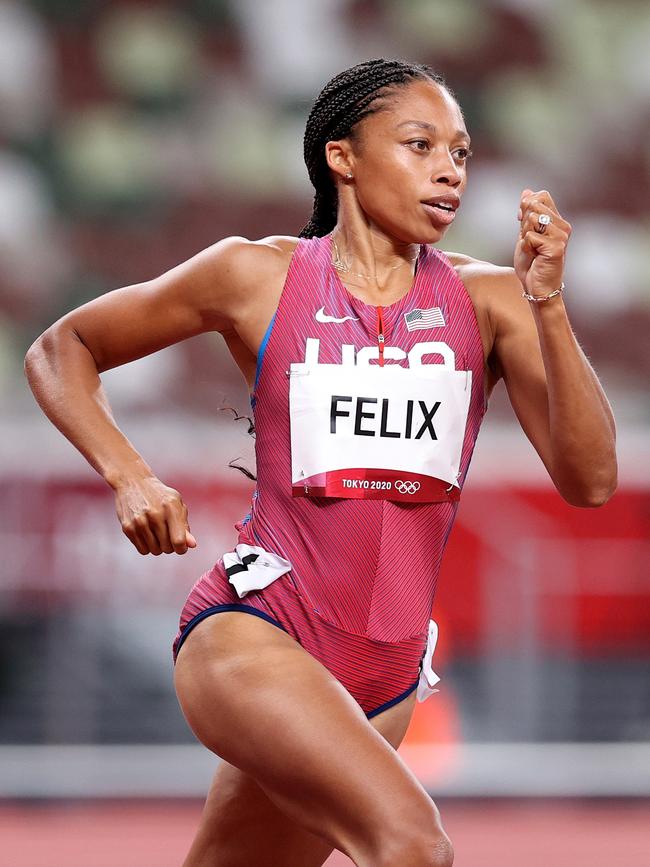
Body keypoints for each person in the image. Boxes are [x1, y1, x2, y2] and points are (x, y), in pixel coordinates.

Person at [24, 58, 617, 867]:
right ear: (342, 157)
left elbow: (591, 481)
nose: (450, 169)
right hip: (257, 635)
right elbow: (64, 348)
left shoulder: (492, 301)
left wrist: (548, 303)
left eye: (462, 153)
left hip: (390, 676)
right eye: (420, 144)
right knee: (413, 846)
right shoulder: (256, 275)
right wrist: (130, 471)